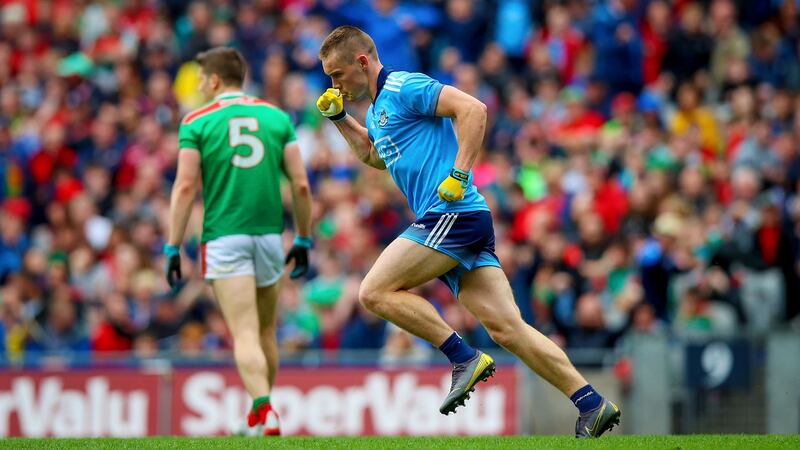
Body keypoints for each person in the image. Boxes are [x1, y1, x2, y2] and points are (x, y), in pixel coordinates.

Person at [316, 26, 620, 438]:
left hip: (451, 212)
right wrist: (339, 119)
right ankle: (591, 404)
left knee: (373, 292)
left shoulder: (406, 86)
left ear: (362, 62)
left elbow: (474, 109)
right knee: (508, 329)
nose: (334, 83)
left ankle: (463, 358)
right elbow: (373, 155)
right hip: (459, 220)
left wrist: (460, 174)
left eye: (337, 74)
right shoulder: (374, 111)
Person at [164, 47, 313, 436]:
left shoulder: (196, 122)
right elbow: (299, 183)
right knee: (266, 332)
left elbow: (184, 188)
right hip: (269, 237)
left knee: (244, 332)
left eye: (200, 79)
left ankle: (265, 411)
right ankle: (259, 413)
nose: (198, 86)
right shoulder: (277, 117)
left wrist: (172, 245)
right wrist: (303, 237)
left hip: (224, 237)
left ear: (214, 80)